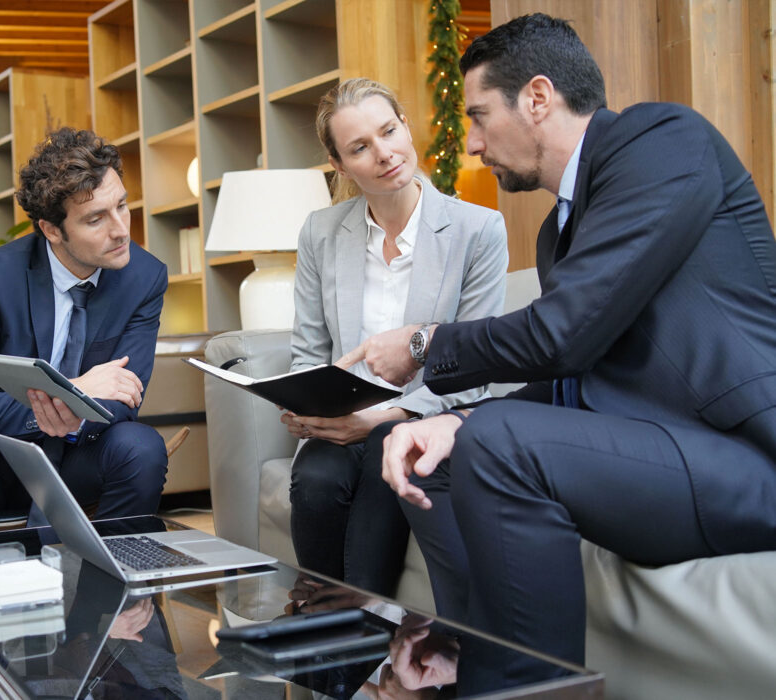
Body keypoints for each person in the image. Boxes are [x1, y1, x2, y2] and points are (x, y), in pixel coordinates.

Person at [341, 13, 776, 692]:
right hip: (656, 450)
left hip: (745, 457)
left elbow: (561, 333)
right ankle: (467, 655)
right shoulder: (558, 234)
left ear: (538, 98)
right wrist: (446, 423)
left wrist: (425, 344)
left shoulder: (663, 142)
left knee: (499, 438)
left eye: (480, 117)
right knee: (435, 451)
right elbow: (576, 369)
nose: (474, 143)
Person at [283, 78, 507, 603]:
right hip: (340, 421)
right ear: (339, 165)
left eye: (389, 131)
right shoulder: (320, 231)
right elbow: (310, 351)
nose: (384, 153)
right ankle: (322, 641)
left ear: (406, 125)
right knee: (315, 476)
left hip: (422, 420)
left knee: (389, 451)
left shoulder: (479, 230)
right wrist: (302, 404)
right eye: (360, 147)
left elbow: (475, 363)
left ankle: (362, 639)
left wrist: (380, 420)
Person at [0, 127, 170, 541]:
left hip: (78, 456)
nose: (121, 230)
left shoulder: (144, 278)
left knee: (141, 448)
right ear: (52, 230)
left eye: (122, 206)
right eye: (96, 219)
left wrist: (72, 409)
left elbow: (124, 399)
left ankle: (114, 591)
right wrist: (72, 391)